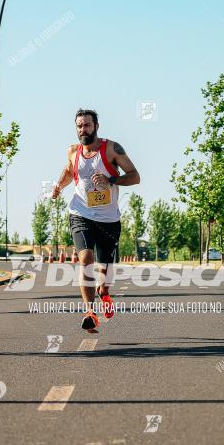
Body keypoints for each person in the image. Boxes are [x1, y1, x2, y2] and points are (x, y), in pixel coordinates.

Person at [51, 109, 140, 332]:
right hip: (81, 213)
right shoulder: (73, 151)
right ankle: (90, 312)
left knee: (105, 270)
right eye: (79, 126)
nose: (83, 130)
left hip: (109, 219)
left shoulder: (111, 149)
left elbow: (135, 176)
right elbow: (69, 170)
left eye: (87, 126)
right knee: (86, 260)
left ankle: (104, 292)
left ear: (96, 126)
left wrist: (111, 179)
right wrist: (59, 187)